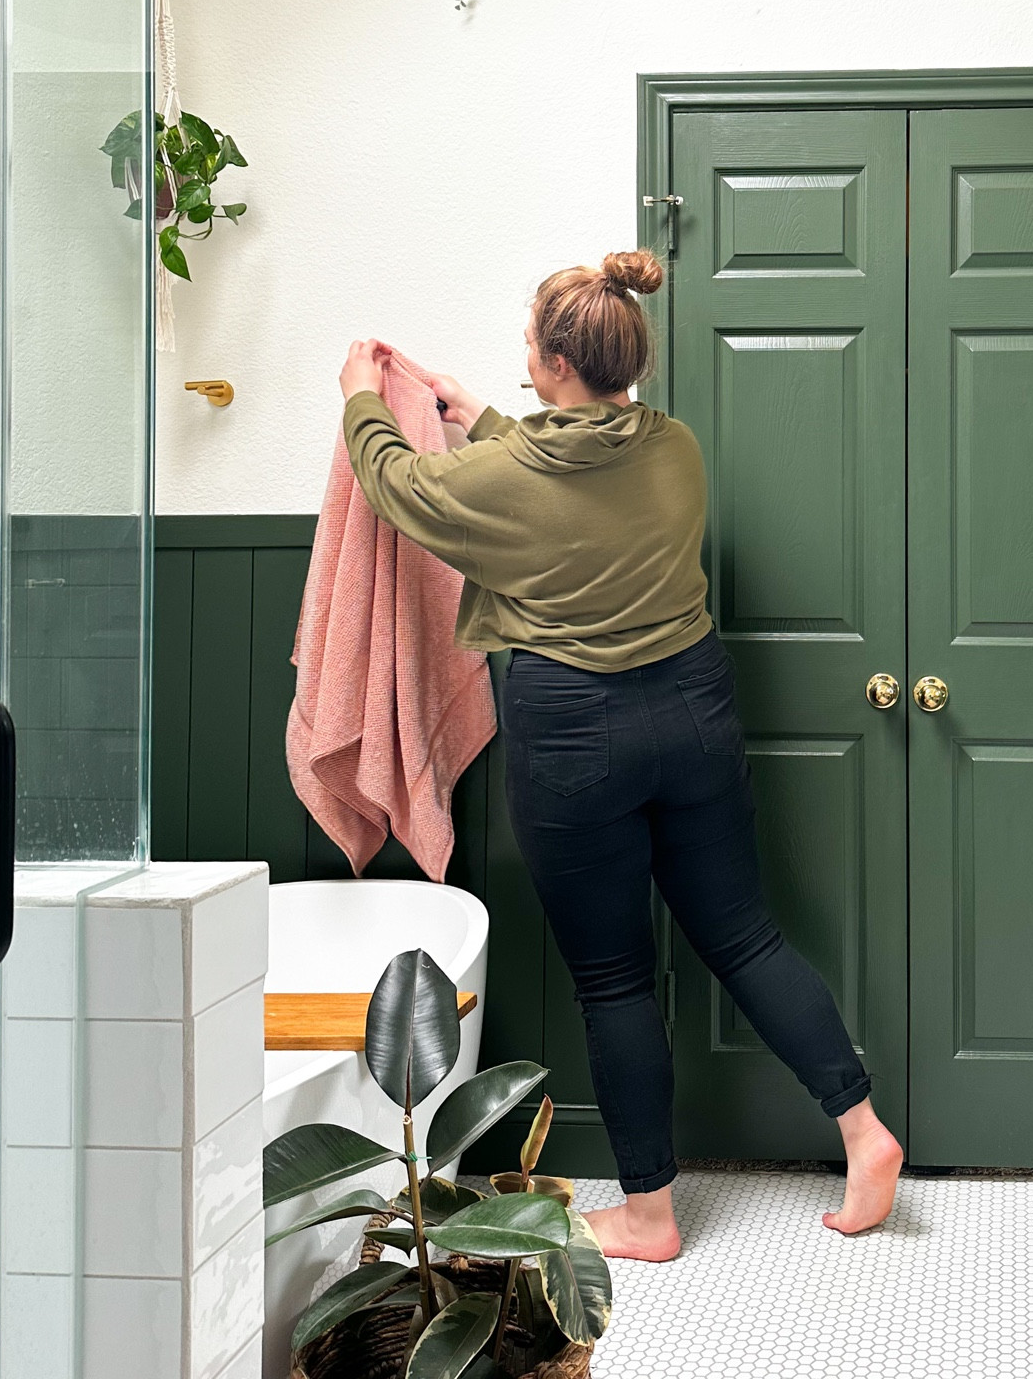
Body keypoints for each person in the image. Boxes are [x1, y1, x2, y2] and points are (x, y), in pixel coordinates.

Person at [337, 249, 903, 1260]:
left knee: (613, 979)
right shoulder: (673, 447)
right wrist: (486, 417)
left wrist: (358, 397)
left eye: (529, 344)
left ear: (558, 362)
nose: (523, 354)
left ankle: (649, 1215)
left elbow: (396, 482)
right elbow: (569, 478)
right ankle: (863, 1130)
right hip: (693, 707)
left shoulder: (502, 477)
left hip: (574, 727)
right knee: (745, 936)